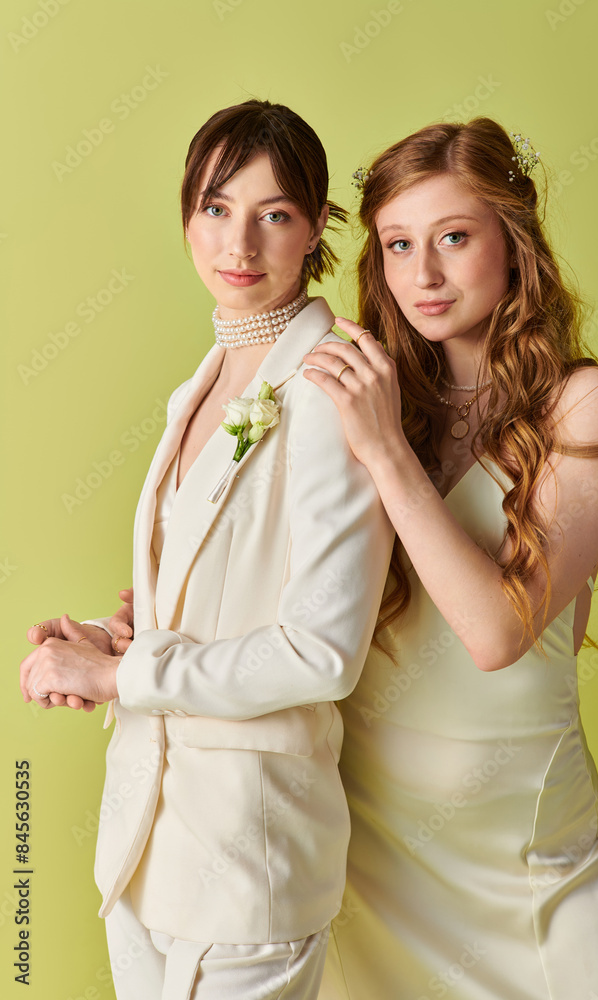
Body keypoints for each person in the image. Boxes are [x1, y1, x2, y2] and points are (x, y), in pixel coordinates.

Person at [19, 99, 393, 1000]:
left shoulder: (329, 387)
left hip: (246, 861)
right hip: (142, 848)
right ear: (187, 216)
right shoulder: (203, 382)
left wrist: (124, 677)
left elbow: (321, 650)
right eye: (217, 209)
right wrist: (122, 634)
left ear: (315, 232)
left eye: (275, 216)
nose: (241, 243)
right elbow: (219, 592)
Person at [303, 118, 598, 998]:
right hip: (375, 853)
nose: (420, 274)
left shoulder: (586, 405)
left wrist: (387, 454)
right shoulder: (377, 394)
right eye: (397, 244)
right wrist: (137, 630)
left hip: (527, 863)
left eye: (453, 238)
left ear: (514, 243)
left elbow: (498, 632)